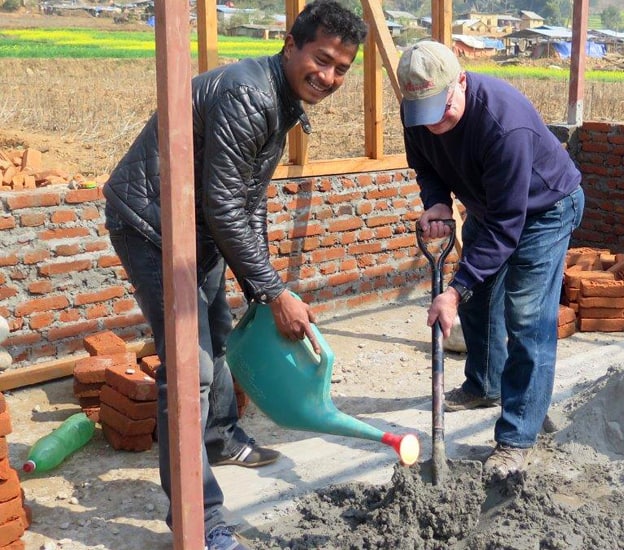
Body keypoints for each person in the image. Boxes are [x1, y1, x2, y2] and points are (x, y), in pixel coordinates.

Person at [102, 2, 367, 548]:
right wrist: (273, 291)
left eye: (342, 68)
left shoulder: (282, 96)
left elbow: (247, 201)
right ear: (290, 45)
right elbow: (225, 204)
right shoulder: (250, 94)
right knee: (189, 368)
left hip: (193, 226)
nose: (329, 76)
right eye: (321, 59)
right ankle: (201, 519)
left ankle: (219, 436)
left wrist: (258, 291)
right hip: (151, 225)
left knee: (221, 333)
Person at [397, 41, 585, 476]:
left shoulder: (504, 124)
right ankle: (485, 384)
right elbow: (424, 165)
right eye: (423, 114)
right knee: (481, 299)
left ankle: (517, 438)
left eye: (441, 110)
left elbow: (507, 225)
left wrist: (453, 292)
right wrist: (438, 201)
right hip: (490, 204)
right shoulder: (419, 114)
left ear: (460, 81)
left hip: (544, 209)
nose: (434, 124)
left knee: (527, 319)